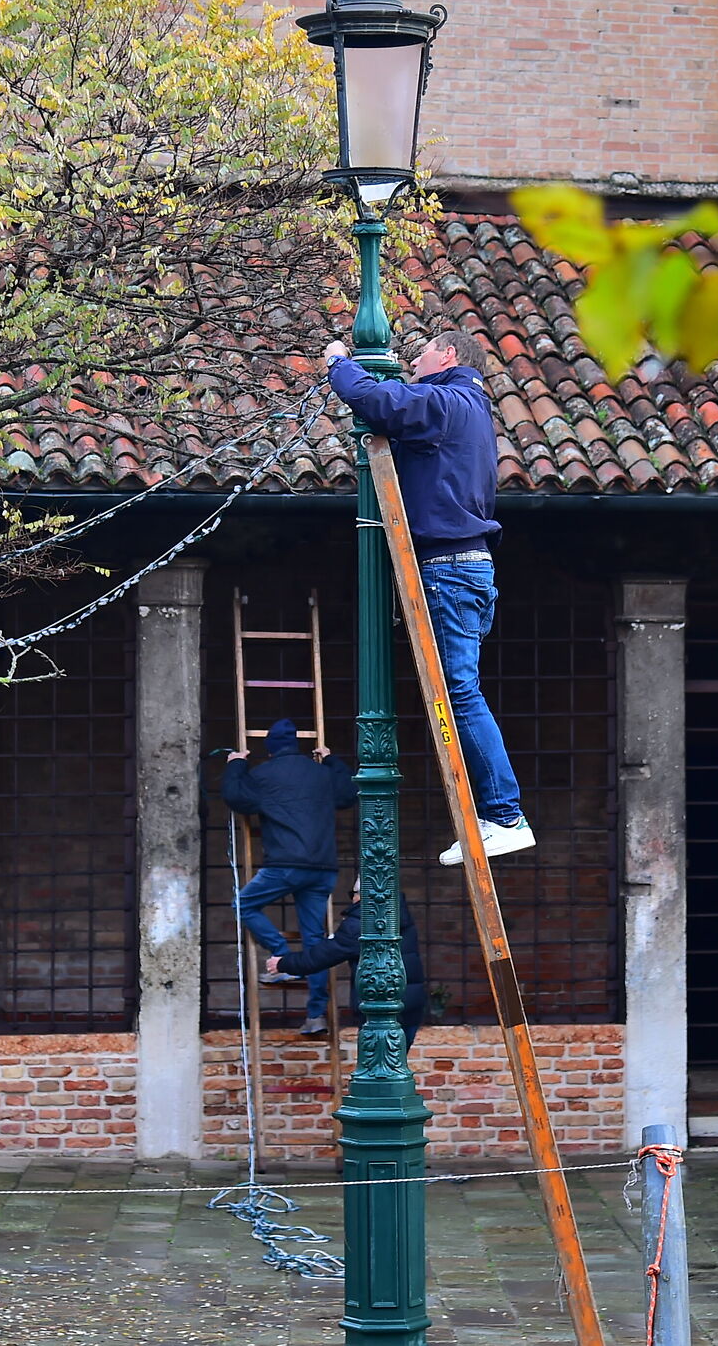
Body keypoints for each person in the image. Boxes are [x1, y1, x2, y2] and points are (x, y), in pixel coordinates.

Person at [324, 326, 535, 866]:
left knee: (460, 692)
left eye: (420, 355)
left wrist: (339, 363)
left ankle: (505, 816)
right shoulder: (466, 407)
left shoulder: (449, 401)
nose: (413, 364)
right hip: (464, 567)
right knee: (459, 689)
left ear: (447, 355)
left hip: (450, 567)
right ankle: (495, 817)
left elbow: (381, 400)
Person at [220, 717, 357, 1036]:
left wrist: (236, 764)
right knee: (315, 942)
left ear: (270, 750)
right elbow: (349, 792)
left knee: (243, 905)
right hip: (323, 867)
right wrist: (332, 760)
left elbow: (236, 797)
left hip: (285, 863)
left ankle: (281, 957)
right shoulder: (321, 774)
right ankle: (315, 1015)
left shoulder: (264, 774)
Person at [267, 883, 428, 1052]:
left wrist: (283, 963)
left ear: (361, 896)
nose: (352, 899)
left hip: (377, 1004)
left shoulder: (361, 923)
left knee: (376, 1066)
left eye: (353, 893)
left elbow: (322, 956)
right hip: (411, 1002)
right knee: (397, 1063)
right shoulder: (401, 916)